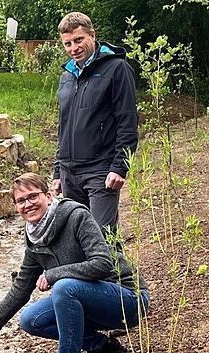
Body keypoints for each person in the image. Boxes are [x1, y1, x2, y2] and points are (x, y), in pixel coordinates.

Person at [0, 173, 148, 353]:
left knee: (64, 287)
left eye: (33, 196)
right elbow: (22, 287)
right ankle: (102, 347)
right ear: (15, 207)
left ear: (49, 195)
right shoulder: (34, 237)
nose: (28, 204)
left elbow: (103, 263)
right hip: (88, 300)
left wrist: (55, 274)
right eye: (21, 201)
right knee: (30, 319)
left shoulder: (76, 216)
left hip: (127, 299)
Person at [53, 11, 139, 240]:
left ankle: (121, 277)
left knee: (103, 239)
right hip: (69, 174)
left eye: (79, 40)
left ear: (92, 35)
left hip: (101, 171)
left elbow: (127, 121)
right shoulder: (67, 77)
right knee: (75, 240)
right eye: (68, 44)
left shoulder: (116, 69)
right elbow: (64, 126)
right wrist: (57, 171)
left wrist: (120, 166)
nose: (74, 48)